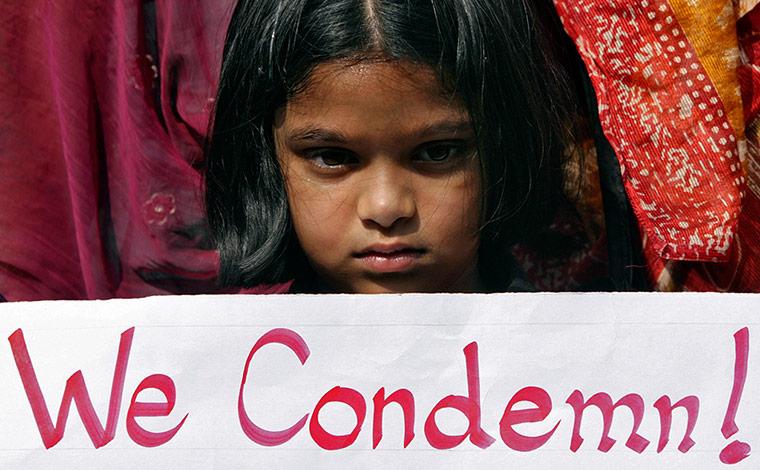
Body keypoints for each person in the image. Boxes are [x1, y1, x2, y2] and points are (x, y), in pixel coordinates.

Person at [205, 0, 582, 293]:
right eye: (333, 158)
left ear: (509, 144)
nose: (386, 209)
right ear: (265, 159)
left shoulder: (581, 376)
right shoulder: (238, 378)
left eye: (438, 152)